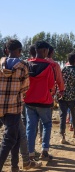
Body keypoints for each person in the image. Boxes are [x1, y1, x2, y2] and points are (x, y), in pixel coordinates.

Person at [0, 39, 30, 171]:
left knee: (16, 135)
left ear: (6, 50)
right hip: (14, 107)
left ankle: (14, 166)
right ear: (20, 51)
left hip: (0, 106)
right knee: (9, 139)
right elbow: (25, 87)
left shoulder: (0, 63)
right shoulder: (23, 66)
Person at [25, 40, 55, 161]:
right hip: (44, 101)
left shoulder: (26, 64)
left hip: (29, 101)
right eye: (47, 50)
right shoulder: (48, 66)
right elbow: (51, 86)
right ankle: (44, 151)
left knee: (30, 127)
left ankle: (30, 154)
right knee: (47, 125)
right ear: (44, 50)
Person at [59, 52, 75, 144]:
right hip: (73, 96)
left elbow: (59, 82)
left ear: (68, 60)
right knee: (74, 114)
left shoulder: (63, 69)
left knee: (62, 116)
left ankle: (62, 136)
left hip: (63, 96)